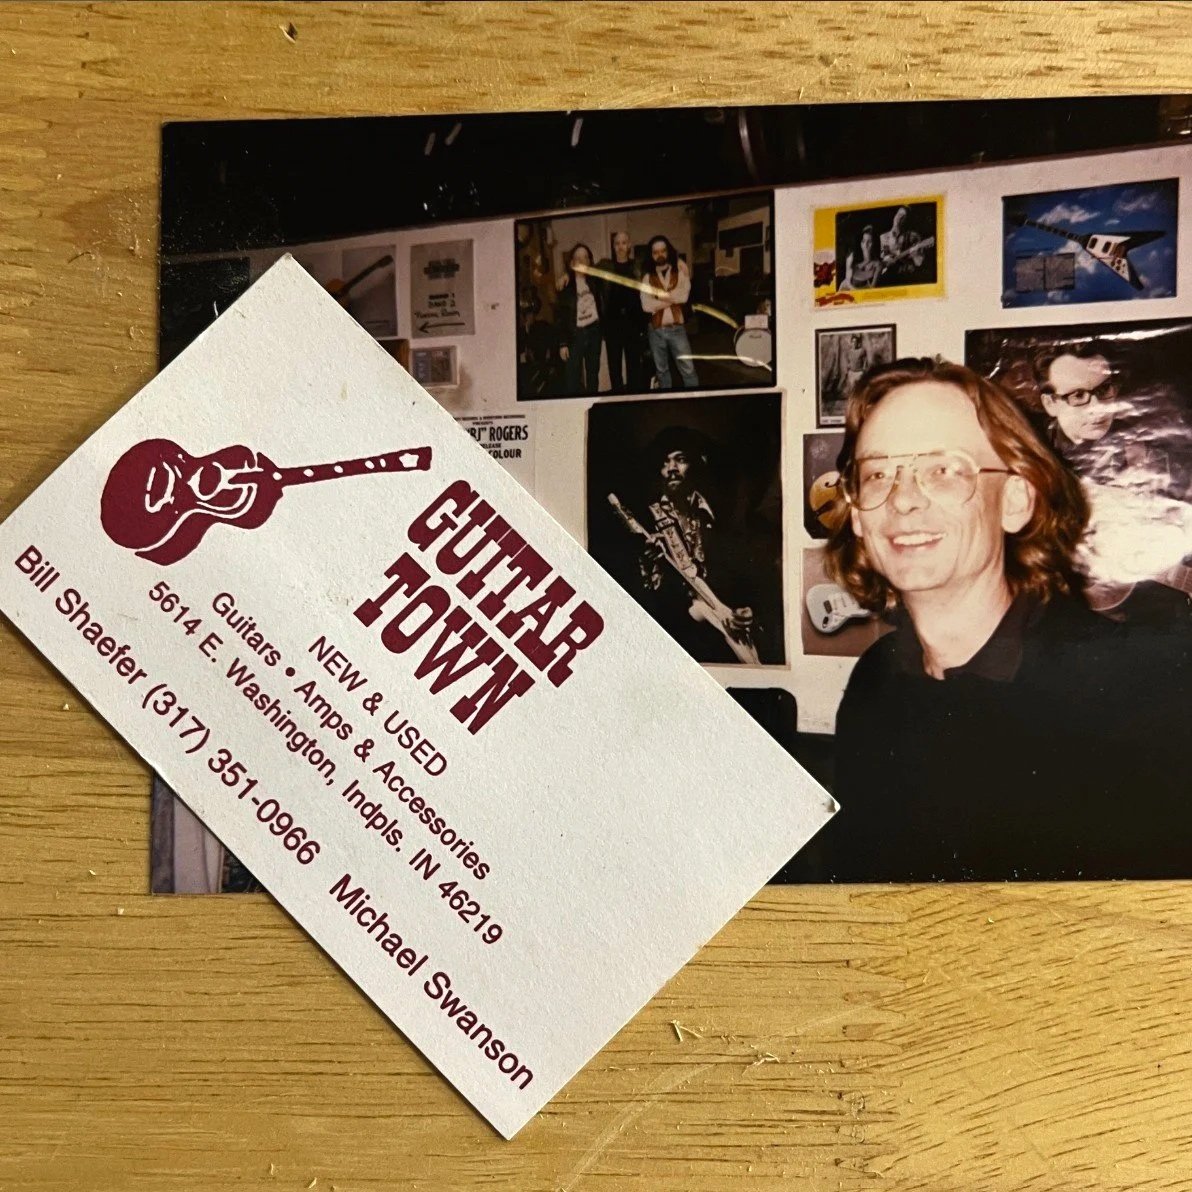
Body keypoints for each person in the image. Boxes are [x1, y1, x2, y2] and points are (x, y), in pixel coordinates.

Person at [812, 357, 1189, 881]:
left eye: (943, 470)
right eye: (877, 474)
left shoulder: (1138, 688)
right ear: (856, 514)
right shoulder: (875, 679)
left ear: (1014, 501)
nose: (903, 500)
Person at [1032, 344, 1192, 622]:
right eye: (1078, 396)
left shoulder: (1151, 452)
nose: (1098, 408)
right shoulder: (1031, 463)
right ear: (1050, 404)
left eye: (1104, 389)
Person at [631, 427, 757, 664]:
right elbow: (644, 599)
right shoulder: (649, 517)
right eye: (664, 462)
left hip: (724, 625)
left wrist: (746, 611)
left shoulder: (718, 515)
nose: (671, 468)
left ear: (698, 464)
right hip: (679, 635)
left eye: (680, 459)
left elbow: (740, 575)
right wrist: (651, 562)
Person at [641, 236, 700, 390]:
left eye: (663, 251)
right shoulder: (647, 277)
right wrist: (672, 299)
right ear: (651, 255)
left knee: (688, 369)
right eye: (655, 252)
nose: (660, 255)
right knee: (661, 371)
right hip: (655, 331)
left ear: (668, 251)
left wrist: (659, 300)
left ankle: (695, 399)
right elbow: (646, 306)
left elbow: (684, 297)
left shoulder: (679, 272)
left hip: (677, 329)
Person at [598, 231, 647, 393]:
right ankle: (618, 399)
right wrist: (566, 275)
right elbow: (584, 269)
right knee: (614, 368)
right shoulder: (605, 266)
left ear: (629, 245)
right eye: (617, 243)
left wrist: (679, 263)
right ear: (613, 246)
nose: (620, 246)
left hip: (633, 324)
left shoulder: (638, 266)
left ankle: (634, 399)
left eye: (624, 243)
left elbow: (659, 265)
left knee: (634, 368)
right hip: (612, 325)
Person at [554, 243, 603, 396]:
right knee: (572, 379)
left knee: (593, 376)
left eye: (585, 257)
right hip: (575, 336)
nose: (582, 261)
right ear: (572, 262)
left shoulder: (596, 281)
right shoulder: (565, 286)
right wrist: (562, 343)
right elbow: (560, 317)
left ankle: (592, 406)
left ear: (589, 261)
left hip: (594, 333)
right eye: (578, 258)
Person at [840, 225, 881, 290]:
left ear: (874, 244)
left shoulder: (877, 264)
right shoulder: (852, 256)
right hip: (846, 288)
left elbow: (872, 287)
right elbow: (848, 282)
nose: (865, 245)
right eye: (863, 241)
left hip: (863, 289)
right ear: (861, 243)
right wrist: (866, 261)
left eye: (869, 242)